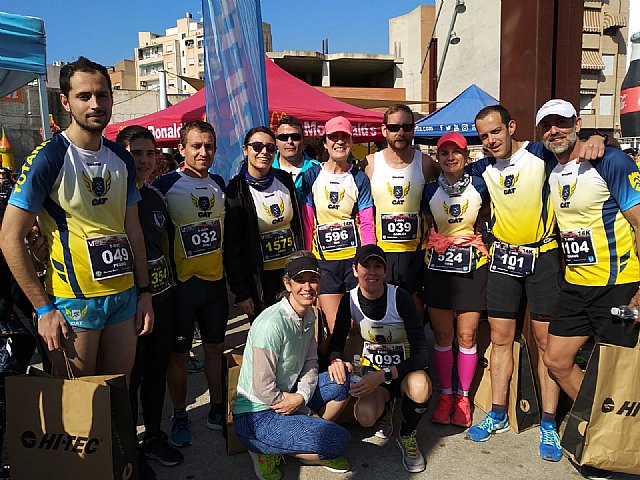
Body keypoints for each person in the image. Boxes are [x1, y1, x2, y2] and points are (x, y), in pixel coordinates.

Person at [0, 57, 153, 380]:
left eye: (102, 95)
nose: (95, 104)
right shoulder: (47, 158)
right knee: (80, 401)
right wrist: (43, 308)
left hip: (124, 296)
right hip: (73, 301)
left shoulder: (122, 159)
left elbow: (134, 231)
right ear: (65, 102)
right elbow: (9, 237)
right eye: (84, 96)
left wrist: (145, 293)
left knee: (117, 395)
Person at [466, 105, 604, 462]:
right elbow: (448, 177)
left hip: (543, 257)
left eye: (496, 131)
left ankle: (548, 422)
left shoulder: (539, 152)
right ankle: (497, 413)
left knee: (546, 342)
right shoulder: (482, 167)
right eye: (483, 136)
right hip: (504, 258)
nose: (491, 140)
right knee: (500, 339)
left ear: (511, 127)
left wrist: (598, 138)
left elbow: (573, 145)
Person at [537, 100, 640, 478]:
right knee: (557, 360)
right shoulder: (552, 167)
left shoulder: (611, 161)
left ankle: (614, 448)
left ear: (577, 123)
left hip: (618, 286)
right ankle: (601, 427)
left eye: (562, 123)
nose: (554, 130)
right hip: (576, 286)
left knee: (619, 374)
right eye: (547, 125)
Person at [233, 251, 351, 480]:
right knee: (338, 440)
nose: (307, 287)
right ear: (287, 284)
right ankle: (265, 450)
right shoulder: (271, 324)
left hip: (290, 395)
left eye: (313, 279)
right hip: (257, 414)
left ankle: (303, 435)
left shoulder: (308, 315)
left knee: (344, 379)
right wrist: (303, 409)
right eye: (299, 280)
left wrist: (301, 398)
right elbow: (263, 388)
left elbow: (311, 361)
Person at [153, 120, 228, 447]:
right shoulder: (165, 185)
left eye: (209, 146)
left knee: (215, 350)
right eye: (196, 146)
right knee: (179, 355)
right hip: (181, 287)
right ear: (181, 148)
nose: (203, 152)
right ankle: (180, 414)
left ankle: (217, 407)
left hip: (215, 284)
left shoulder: (219, 183)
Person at [115, 126, 183, 477]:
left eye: (149, 153)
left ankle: (154, 436)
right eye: (135, 153)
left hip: (162, 298)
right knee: (131, 378)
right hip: (127, 305)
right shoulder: (111, 198)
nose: (143, 160)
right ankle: (130, 449)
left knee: (156, 374)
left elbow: (166, 247)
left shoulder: (157, 197)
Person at [328, 245, 432, 473]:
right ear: (355, 270)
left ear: (385, 271)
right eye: (366, 266)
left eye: (378, 266)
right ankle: (387, 408)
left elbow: (422, 354)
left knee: (421, 387)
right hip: (372, 374)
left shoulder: (400, 297)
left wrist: (384, 375)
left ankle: (407, 434)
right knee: (364, 417)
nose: (372, 272)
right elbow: (336, 341)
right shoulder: (349, 299)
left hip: (403, 372)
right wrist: (336, 361)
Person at [422, 132, 489, 428]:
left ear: (466, 155)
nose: (451, 158)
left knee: (467, 336)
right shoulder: (428, 190)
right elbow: (426, 222)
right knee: (442, 336)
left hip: (473, 266)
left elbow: (487, 215)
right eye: (444, 153)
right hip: (438, 266)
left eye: (456, 152)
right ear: (438, 158)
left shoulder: (481, 185)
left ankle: (463, 398)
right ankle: (446, 395)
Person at [301, 116, 375, 332]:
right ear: (325, 142)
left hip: (353, 261)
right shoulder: (311, 176)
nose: (340, 141)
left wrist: (367, 259)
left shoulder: (359, 178)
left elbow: (367, 222)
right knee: (337, 328)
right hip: (325, 263)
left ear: (351, 142)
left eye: (345, 137)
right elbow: (307, 222)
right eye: (334, 137)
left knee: (359, 326)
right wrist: (308, 260)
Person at [224, 126, 303, 320]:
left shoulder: (284, 180)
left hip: (290, 275)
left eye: (270, 148)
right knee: (268, 334)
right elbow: (233, 247)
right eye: (257, 147)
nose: (264, 152)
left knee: (296, 329)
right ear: (245, 150)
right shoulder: (236, 190)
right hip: (260, 282)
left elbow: (297, 227)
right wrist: (242, 293)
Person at [363, 104, 435, 314]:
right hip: (381, 251)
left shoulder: (426, 163)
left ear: (413, 129)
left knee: (413, 311)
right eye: (394, 127)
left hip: (415, 252)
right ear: (384, 130)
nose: (400, 132)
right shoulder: (369, 163)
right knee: (380, 309)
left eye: (406, 127)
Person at [272, 116, 319, 199]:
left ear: (303, 141)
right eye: (284, 137)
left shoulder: (318, 169)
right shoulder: (267, 167)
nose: (289, 141)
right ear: (276, 142)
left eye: (295, 137)